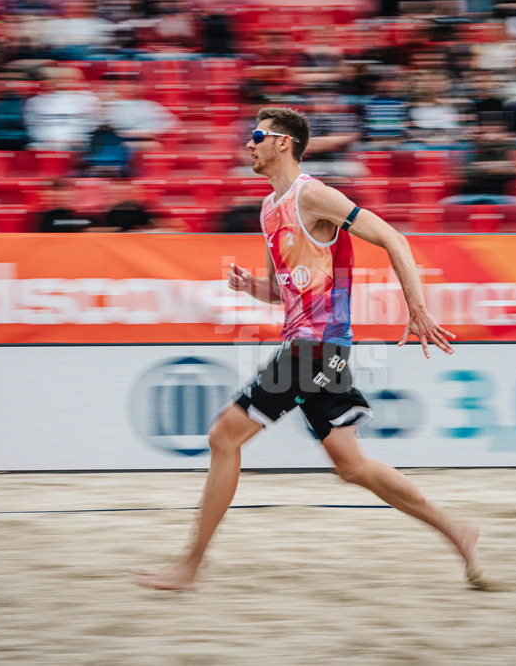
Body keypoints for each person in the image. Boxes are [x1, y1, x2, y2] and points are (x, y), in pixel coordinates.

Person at [130, 107, 491, 592]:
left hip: (313, 349)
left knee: (223, 437)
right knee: (353, 467)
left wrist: (417, 309)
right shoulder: (268, 208)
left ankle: (189, 568)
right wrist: (252, 287)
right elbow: (284, 292)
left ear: (283, 143)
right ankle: (458, 532)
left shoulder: (313, 195)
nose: (248, 144)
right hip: (317, 348)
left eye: (257, 136)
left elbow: (394, 238)